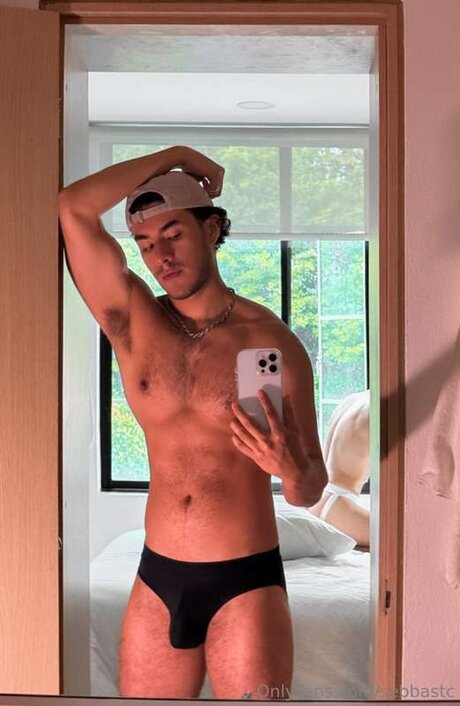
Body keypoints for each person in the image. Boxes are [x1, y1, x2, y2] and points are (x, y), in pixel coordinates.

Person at [58, 145, 328, 699]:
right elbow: (73, 208)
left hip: (245, 579)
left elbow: (310, 490)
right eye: (145, 244)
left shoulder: (270, 342)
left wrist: (290, 468)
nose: (160, 255)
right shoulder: (133, 322)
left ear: (212, 228)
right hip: (158, 574)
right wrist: (178, 156)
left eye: (173, 233)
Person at [307, 390, 370, 548]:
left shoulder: (353, 400)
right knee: (411, 538)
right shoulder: (382, 407)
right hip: (339, 506)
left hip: (324, 497)